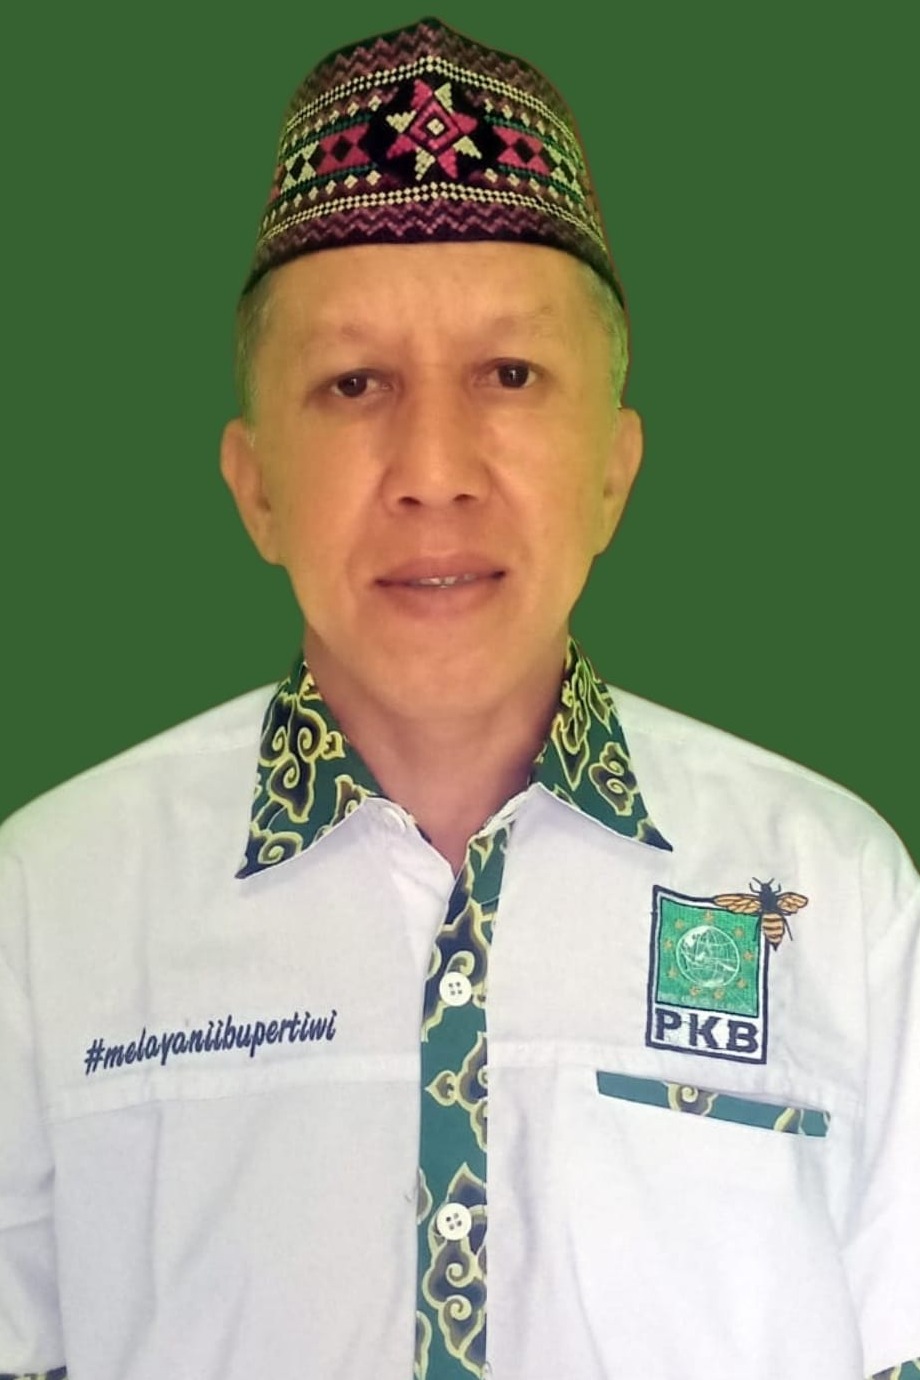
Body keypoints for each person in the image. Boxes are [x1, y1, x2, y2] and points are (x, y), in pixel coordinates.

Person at [0, 16, 917, 1380]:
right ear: (255, 487)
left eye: (510, 375)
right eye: (354, 382)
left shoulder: (832, 892)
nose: (434, 470)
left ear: (614, 469)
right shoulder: (49, 906)